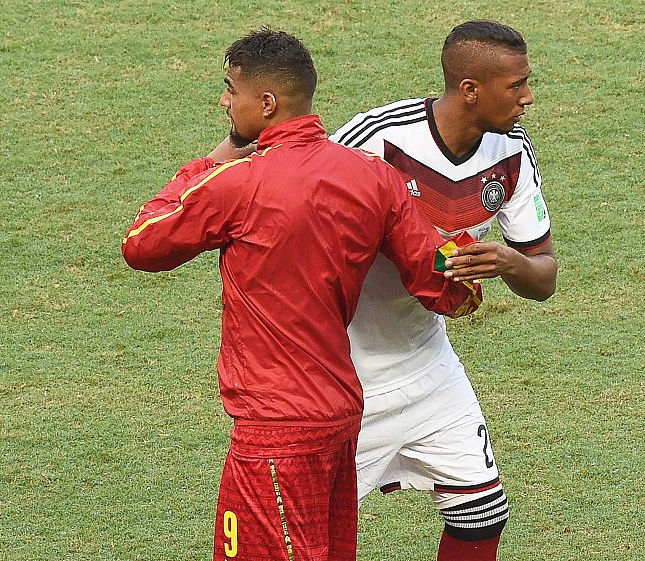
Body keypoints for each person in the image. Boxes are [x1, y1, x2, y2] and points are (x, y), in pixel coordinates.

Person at [121, 29, 481, 561]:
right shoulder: (374, 177)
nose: (224, 101)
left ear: (267, 103)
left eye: (230, 89)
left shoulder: (238, 182)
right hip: (341, 415)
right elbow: (444, 288)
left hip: (275, 427)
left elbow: (142, 244)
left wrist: (211, 163)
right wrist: (481, 266)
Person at [329, 20, 558, 561]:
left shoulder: (511, 151)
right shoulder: (377, 138)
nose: (528, 97)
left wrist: (507, 262)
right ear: (471, 88)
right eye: (516, 84)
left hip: (428, 367)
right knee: (319, 527)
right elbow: (303, 218)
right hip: (345, 374)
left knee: (482, 514)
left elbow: (544, 275)